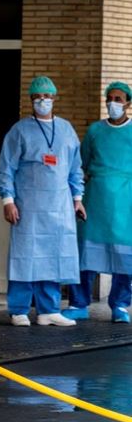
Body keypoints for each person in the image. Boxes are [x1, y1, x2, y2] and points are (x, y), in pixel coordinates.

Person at [0, 75, 84, 327]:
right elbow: (6, 169)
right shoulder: (20, 131)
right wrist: (8, 201)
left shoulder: (66, 130)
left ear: (55, 98)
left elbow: (75, 167)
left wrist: (78, 198)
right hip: (28, 206)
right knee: (26, 256)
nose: (42, 100)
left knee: (54, 256)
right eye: (37, 97)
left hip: (60, 206)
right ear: (31, 100)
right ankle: (19, 309)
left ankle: (49, 309)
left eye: (46, 96)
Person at [63, 81, 132, 324]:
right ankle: (78, 303)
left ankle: (120, 305)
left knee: (126, 257)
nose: (113, 103)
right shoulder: (95, 131)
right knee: (86, 253)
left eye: (118, 99)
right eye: (110, 98)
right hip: (96, 197)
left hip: (126, 201)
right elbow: (81, 163)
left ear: (128, 103)